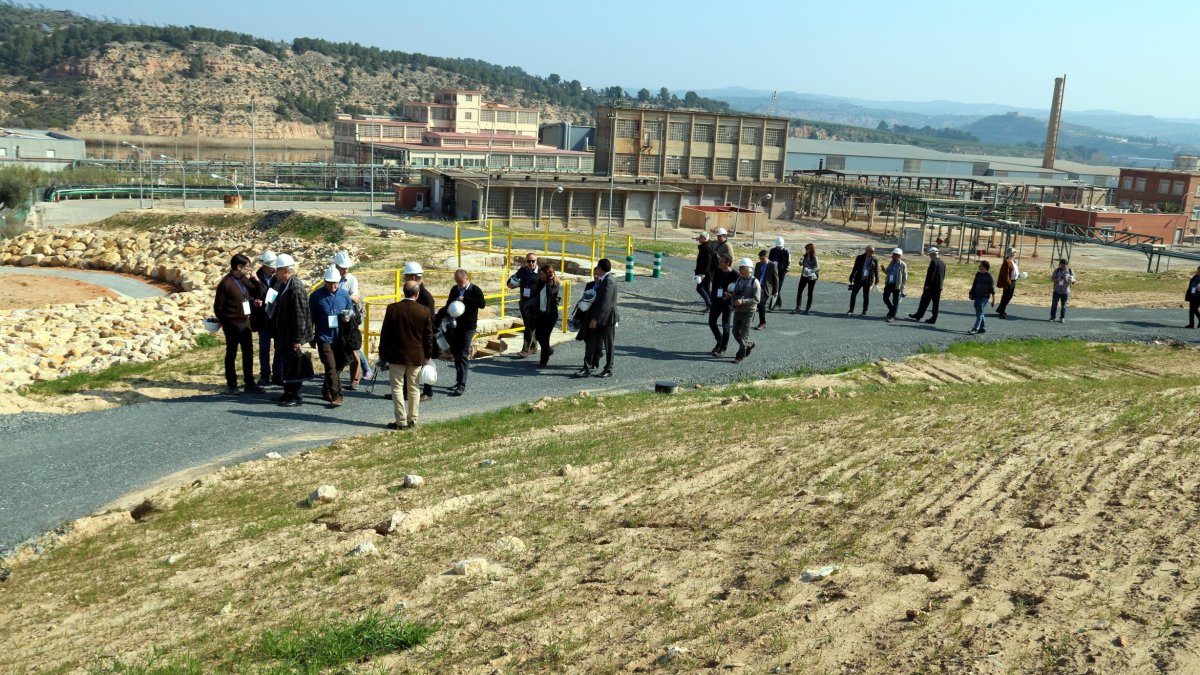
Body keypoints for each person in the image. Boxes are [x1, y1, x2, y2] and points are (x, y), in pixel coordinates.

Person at [378, 280, 433, 430]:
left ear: (404, 292)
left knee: (397, 388)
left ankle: (400, 421)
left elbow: (385, 334)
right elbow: (428, 336)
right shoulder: (424, 311)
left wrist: (382, 355)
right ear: (417, 293)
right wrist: (428, 356)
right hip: (416, 356)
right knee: (414, 388)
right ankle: (413, 419)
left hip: (396, 356)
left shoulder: (393, 309)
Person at [213, 253, 263, 394]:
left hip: (246, 322)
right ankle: (232, 384)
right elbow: (218, 307)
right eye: (247, 266)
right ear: (238, 266)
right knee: (232, 353)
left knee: (248, 353)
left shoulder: (243, 279)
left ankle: (250, 383)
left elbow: (258, 292)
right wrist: (225, 323)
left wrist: (255, 279)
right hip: (232, 324)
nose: (249, 269)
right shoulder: (226, 283)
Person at [269, 254, 311, 407]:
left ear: (285, 270)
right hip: (284, 335)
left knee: (294, 365)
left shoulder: (295, 288)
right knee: (286, 363)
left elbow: (299, 316)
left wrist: (297, 340)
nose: (275, 273)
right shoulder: (285, 285)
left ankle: (295, 395)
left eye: (277, 270)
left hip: (291, 336)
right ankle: (288, 393)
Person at [310, 265, 355, 407]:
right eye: (330, 283)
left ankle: (326, 390)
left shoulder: (344, 294)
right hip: (324, 336)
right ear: (324, 281)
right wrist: (310, 337)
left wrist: (347, 317)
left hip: (340, 337)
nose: (333, 286)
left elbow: (351, 311)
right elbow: (310, 318)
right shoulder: (316, 296)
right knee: (330, 366)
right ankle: (337, 395)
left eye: (335, 283)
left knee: (338, 366)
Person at [332, 251, 373, 389]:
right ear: (336, 266)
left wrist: (340, 297)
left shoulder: (351, 279)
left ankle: (356, 379)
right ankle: (335, 375)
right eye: (343, 268)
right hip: (335, 318)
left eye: (346, 268)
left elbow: (355, 298)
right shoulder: (332, 277)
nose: (345, 270)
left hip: (349, 318)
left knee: (353, 346)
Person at [444, 268, 486, 396]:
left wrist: (465, 299)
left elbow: (482, 304)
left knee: (463, 354)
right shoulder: (454, 289)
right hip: (455, 326)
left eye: (460, 281)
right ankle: (458, 381)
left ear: (466, 279)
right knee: (456, 354)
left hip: (468, 327)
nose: (458, 284)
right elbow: (448, 304)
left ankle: (462, 385)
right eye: (457, 281)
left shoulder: (475, 290)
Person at [576, 258, 618, 378]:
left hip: (606, 319)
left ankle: (608, 369)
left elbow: (605, 303)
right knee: (590, 342)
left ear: (600, 268)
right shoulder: (605, 280)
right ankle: (587, 367)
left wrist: (595, 319)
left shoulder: (609, 281)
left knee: (608, 345)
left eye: (597, 268)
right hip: (598, 317)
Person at [404, 261, 437, 400]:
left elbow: (430, 320)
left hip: (421, 337)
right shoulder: (416, 293)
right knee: (408, 365)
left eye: (406, 277)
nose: (405, 280)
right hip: (413, 335)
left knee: (425, 365)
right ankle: (405, 392)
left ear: (413, 277)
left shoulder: (425, 297)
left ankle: (428, 392)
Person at [253, 250, 280, 386]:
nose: (274, 269)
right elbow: (248, 294)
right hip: (263, 319)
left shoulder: (278, 277)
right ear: (264, 266)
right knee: (264, 348)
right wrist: (254, 301)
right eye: (271, 267)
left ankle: (277, 373)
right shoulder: (254, 277)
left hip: (276, 318)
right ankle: (264, 375)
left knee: (278, 347)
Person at [530, 263, 563, 367]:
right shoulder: (541, 282)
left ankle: (543, 361)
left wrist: (549, 281)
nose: (541, 276)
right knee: (538, 335)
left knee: (545, 337)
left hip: (550, 315)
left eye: (543, 274)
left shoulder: (555, 284)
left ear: (548, 274)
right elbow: (536, 293)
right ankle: (548, 350)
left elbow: (551, 295)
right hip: (540, 313)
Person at [508, 252, 541, 357]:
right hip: (524, 302)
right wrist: (510, 284)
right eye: (529, 261)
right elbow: (512, 280)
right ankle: (534, 347)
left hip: (535, 304)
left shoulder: (541, 272)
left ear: (536, 260)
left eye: (533, 261)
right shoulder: (523, 271)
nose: (531, 263)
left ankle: (525, 350)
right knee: (529, 325)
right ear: (526, 261)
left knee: (529, 326)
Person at [730, 258, 761, 364]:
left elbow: (757, 299)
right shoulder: (739, 280)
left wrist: (743, 301)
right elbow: (735, 294)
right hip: (738, 310)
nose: (739, 270)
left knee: (744, 335)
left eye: (741, 268)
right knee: (734, 332)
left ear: (748, 269)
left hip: (749, 312)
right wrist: (733, 302)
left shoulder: (754, 282)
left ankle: (740, 356)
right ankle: (749, 344)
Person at [707, 254, 738, 356]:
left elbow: (739, 291)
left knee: (725, 326)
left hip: (728, 304)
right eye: (719, 260)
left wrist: (730, 296)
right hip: (716, 302)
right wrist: (712, 301)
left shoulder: (735, 275)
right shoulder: (718, 272)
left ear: (727, 263)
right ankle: (719, 340)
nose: (719, 262)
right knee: (711, 322)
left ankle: (723, 348)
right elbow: (714, 287)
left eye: (721, 261)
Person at [908, 247, 947, 324]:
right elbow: (943, 276)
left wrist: (927, 285)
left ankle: (919, 315)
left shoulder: (933, 262)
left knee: (924, 301)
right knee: (935, 304)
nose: (930, 256)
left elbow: (931, 275)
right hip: (938, 287)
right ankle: (933, 318)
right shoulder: (943, 263)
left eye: (930, 255)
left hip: (931, 287)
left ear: (933, 254)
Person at [847, 245, 879, 315]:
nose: (873, 252)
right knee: (853, 294)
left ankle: (864, 311)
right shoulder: (859, 258)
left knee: (866, 296)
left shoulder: (874, 259)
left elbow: (876, 270)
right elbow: (855, 268)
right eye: (871, 251)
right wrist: (851, 276)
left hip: (868, 280)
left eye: (874, 251)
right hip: (859, 278)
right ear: (867, 251)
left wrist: (877, 279)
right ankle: (851, 310)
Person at [753, 249, 779, 330]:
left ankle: (762, 323)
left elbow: (776, 279)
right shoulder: (758, 265)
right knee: (753, 303)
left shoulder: (772, 265)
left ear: (767, 257)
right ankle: (748, 321)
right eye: (760, 258)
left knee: (761, 304)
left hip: (766, 288)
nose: (761, 260)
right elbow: (755, 276)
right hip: (757, 287)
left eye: (762, 258)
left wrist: (776, 291)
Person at [968, 260, 996, 335]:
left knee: (979, 311)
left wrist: (993, 300)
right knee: (979, 311)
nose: (979, 266)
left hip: (985, 297)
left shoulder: (990, 276)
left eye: (980, 265)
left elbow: (992, 289)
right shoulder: (978, 274)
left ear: (984, 267)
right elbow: (974, 284)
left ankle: (975, 328)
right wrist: (971, 293)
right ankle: (983, 327)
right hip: (977, 295)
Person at [881, 248, 907, 322]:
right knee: (885, 298)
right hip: (889, 283)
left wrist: (903, 288)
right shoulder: (891, 262)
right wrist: (883, 269)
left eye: (894, 255)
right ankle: (892, 309)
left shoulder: (903, 265)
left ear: (899, 256)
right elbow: (887, 272)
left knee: (895, 301)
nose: (892, 256)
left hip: (896, 285)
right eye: (893, 254)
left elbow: (905, 278)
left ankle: (892, 316)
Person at [793, 243, 819, 315]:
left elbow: (817, 267)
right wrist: (800, 260)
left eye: (807, 249)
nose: (806, 251)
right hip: (804, 276)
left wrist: (810, 270)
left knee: (809, 293)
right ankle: (798, 307)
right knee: (799, 291)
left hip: (811, 277)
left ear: (811, 250)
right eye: (805, 249)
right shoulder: (805, 256)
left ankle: (807, 309)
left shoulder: (814, 257)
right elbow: (801, 264)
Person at [768, 236, 791, 310]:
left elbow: (788, 262)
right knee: (775, 287)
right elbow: (769, 260)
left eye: (780, 247)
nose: (779, 248)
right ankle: (779, 301)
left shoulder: (786, 252)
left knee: (778, 289)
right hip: (773, 272)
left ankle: (772, 305)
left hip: (781, 273)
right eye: (778, 246)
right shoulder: (772, 251)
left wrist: (785, 270)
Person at [1050, 258, 1076, 322]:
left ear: (1067, 265)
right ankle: (1052, 317)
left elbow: (1074, 281)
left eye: (1065, 265)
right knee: (1054, 305)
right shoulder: (1057, 270)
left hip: (1065, 291)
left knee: (1063, 306)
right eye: (1062, 265)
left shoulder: (1070, 271)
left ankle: (1062, 318)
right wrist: (1057, 280)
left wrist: (1071, 280)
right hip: (1057, 291)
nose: (1064, 266)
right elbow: (1052, 279)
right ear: (1060, 264)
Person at [694, 232, 715, 310]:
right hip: (708, 272)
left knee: (699, 288)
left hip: (705, 273)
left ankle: (709, 304)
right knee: (706, 288)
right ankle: (713, 305)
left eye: (700, 237)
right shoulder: (709, 245)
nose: (699, 238)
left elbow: (708, 262)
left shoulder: (706, 248)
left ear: (705, 239)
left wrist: (703, 273)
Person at [996, 248, 1019, 319]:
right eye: (1013, 252)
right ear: (1009, 253)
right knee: (1006, 296)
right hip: (1009, 282)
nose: (1015, 253)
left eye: (1015, 252)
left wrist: (1019, 275)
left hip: (1013, 281)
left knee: (1009, 296)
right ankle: (1001, 312)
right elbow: (1006, 274)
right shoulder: (1007, 261)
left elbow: (1013, 271)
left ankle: (1000, 309)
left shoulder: (1013, 261)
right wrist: (1007, 283)